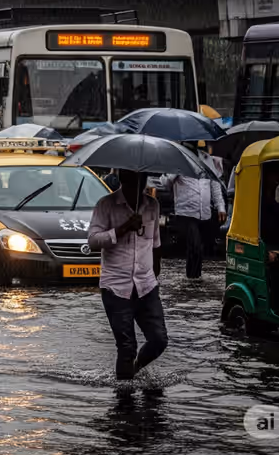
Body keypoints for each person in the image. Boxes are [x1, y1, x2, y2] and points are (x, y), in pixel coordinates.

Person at [87, 169, 167, 381]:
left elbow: (155, 243)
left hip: (146, 285)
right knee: (126, 346)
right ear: (123, 178)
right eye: (131, 180)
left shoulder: (152, 206)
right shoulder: (106, 205)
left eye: (140, 180)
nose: (137, 186)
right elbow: (93, 241)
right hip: (115, 287)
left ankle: (136, 369)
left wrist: (155, 275)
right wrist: (122, 229)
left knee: (159, 340)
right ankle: (123, 403)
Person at [157, 145, 225, 279]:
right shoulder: (177, 158)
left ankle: (195, 278)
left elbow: (214, 184)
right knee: (195, 246)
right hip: (185, 212)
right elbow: (164, 183)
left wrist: (220, 206)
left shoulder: (206, 159)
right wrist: (174, 171)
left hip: (204, 212)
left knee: (200, 248)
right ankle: (192, 278)